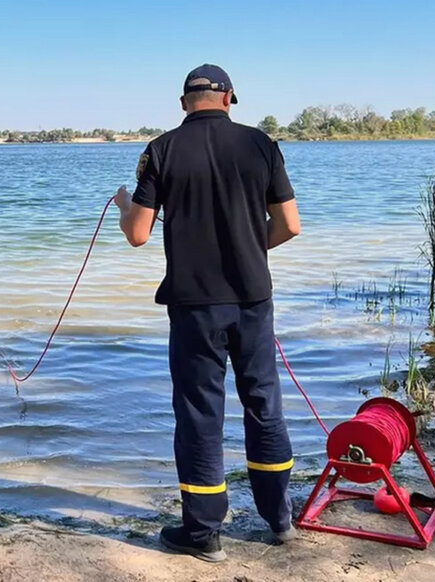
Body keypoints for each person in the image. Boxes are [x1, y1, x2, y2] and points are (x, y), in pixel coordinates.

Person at [114, 64, 302, 563]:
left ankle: (202, 533)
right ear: (230, 98)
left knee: (200, 414)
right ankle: (279, 520)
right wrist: (247, 250)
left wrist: (123, 204)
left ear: (182, 104)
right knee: (264, 404)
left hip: (195, 305)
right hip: (253, 301)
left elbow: (137, 234)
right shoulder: (262, 145)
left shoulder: (162, 149)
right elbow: (289, 225)